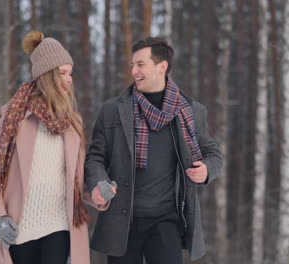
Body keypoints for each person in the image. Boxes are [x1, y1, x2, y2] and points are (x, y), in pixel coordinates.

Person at [85, 36, 222, 264]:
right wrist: (98, 182)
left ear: (162, 67)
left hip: (167, 221)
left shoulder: (190, 111)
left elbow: (213, 152)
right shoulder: (112, 110)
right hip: (122, 221)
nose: (133, 71)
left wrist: (207, 169)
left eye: (140, 64)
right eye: (132, 65)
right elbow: (96, 157)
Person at [0, 30, 90, 264]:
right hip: (19, 228)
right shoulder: (14, 117)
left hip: (58, 227)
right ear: (48, 76)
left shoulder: (72, 124)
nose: (69, 79)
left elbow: (78, 180)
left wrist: (99, 193)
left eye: (70, 73)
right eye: (63, 73)